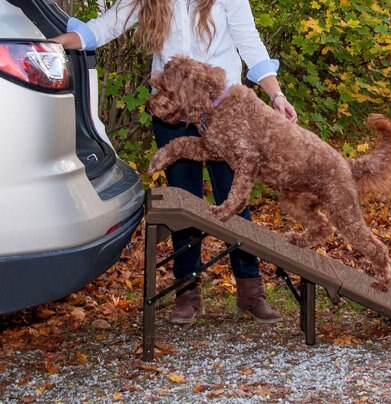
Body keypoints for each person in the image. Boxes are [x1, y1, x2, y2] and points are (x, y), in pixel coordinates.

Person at [52, 0, 297, 325]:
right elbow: (104, 27)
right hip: (172, 112)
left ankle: (251, 292)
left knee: (234, 200)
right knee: (184, 204)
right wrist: (48, 44)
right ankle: (188, 293)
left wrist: (277, 95)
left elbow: (248, 39)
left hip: (223, 113)